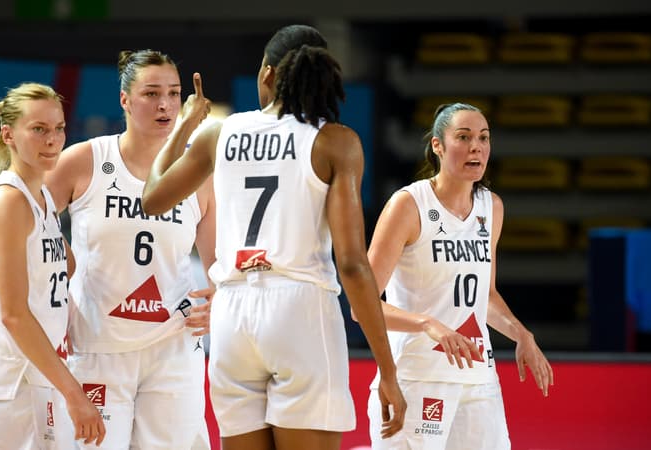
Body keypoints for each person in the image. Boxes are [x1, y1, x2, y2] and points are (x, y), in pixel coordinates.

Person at [142, 24, 406, 450]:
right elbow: (354, 265)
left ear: (266, 74)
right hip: (299, 309)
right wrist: (388, 372)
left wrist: (182, 128)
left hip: (232, 314)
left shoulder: (218, 133)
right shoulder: (334, 142)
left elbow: (153, 198)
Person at [44, 49, 214, 450]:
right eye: (151, 93)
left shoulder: (199, 173)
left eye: (174, 94)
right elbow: (25, 222)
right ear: (124, 99)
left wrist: (219, 300)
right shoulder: (85, 159)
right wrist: (59, 268)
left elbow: (220, 264)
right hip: (97, 343)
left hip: (173, 344)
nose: (165, 104)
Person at [363, 102, 554, 449]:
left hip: (478, 379)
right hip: (418, 377)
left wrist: (520, 334)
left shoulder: (491, 207)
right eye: (463, 137)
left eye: (483, 138)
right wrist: (426, 323)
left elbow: (485, 295)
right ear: (438, 145)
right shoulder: (407, 205)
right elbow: (362, 306)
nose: (476, 147)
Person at [0, 82, 105, 449]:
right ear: (8, 135)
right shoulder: (8, 200)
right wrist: (75, 393)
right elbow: (14, 315)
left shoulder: (40, 197)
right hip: (8, 384)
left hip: (38, 375)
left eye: (58, 129)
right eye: (38, 129)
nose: (52, 139)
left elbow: (66, 267)